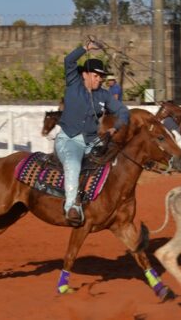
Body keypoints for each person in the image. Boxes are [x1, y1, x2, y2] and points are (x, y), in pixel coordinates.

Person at [56, 39, 129, 225]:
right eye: (96, 76)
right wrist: (85, 48)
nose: (99, 79)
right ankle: (72, 207)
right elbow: (69, 61)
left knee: (114, 158)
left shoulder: (104, 95)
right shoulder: (73, 83)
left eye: (101, 77)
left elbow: (123, 111)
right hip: (69, 139)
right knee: (73, 163)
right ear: (85, 75)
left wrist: (115, 127)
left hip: (91, 140)